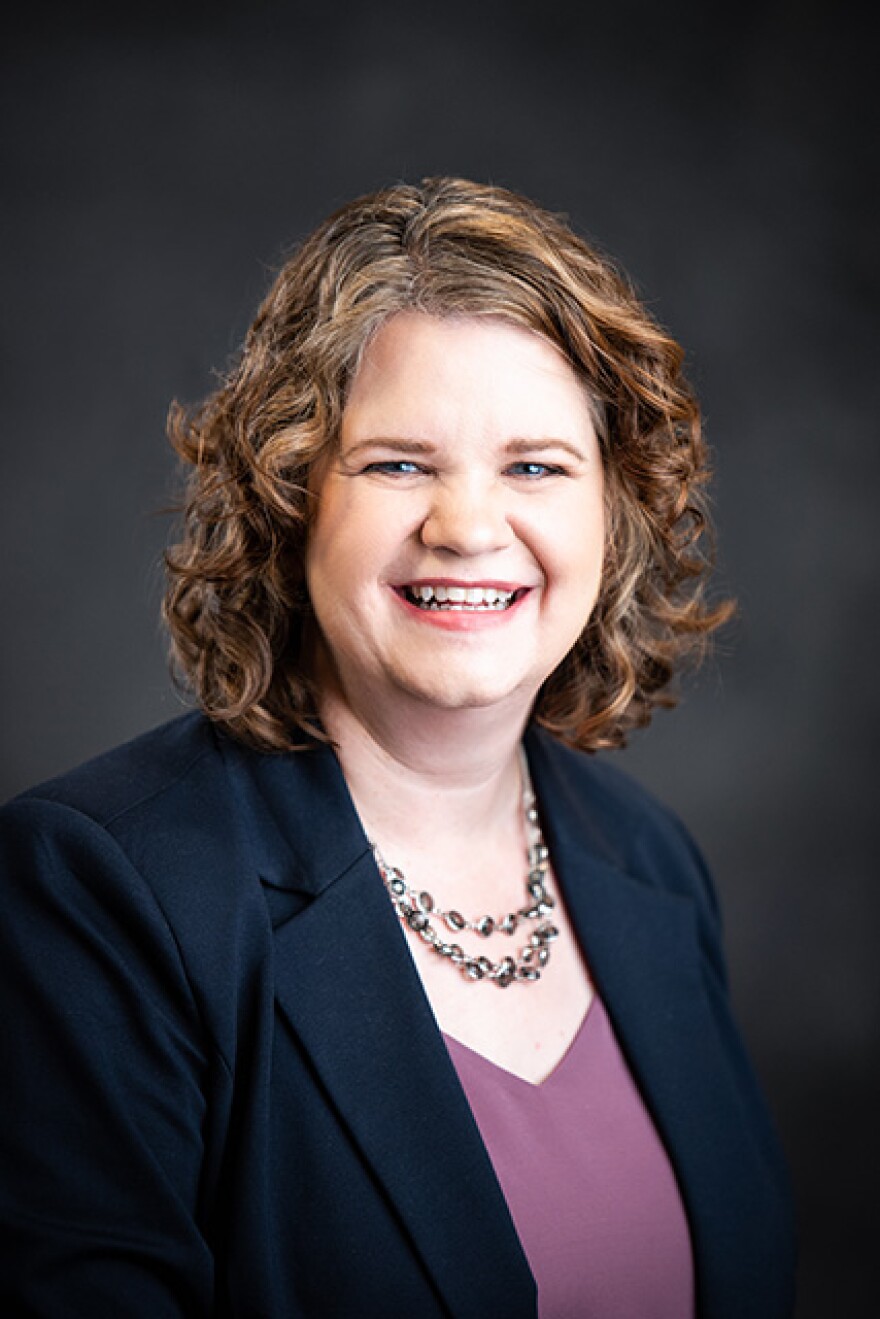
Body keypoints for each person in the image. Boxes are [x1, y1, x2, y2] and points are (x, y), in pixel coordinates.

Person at [0, 177, 795, 1317]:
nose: (468, 526)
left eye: (535, 465)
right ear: (288, 497)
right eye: (397, 463)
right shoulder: (100, 889)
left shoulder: (651, 864)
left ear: (613, 511)